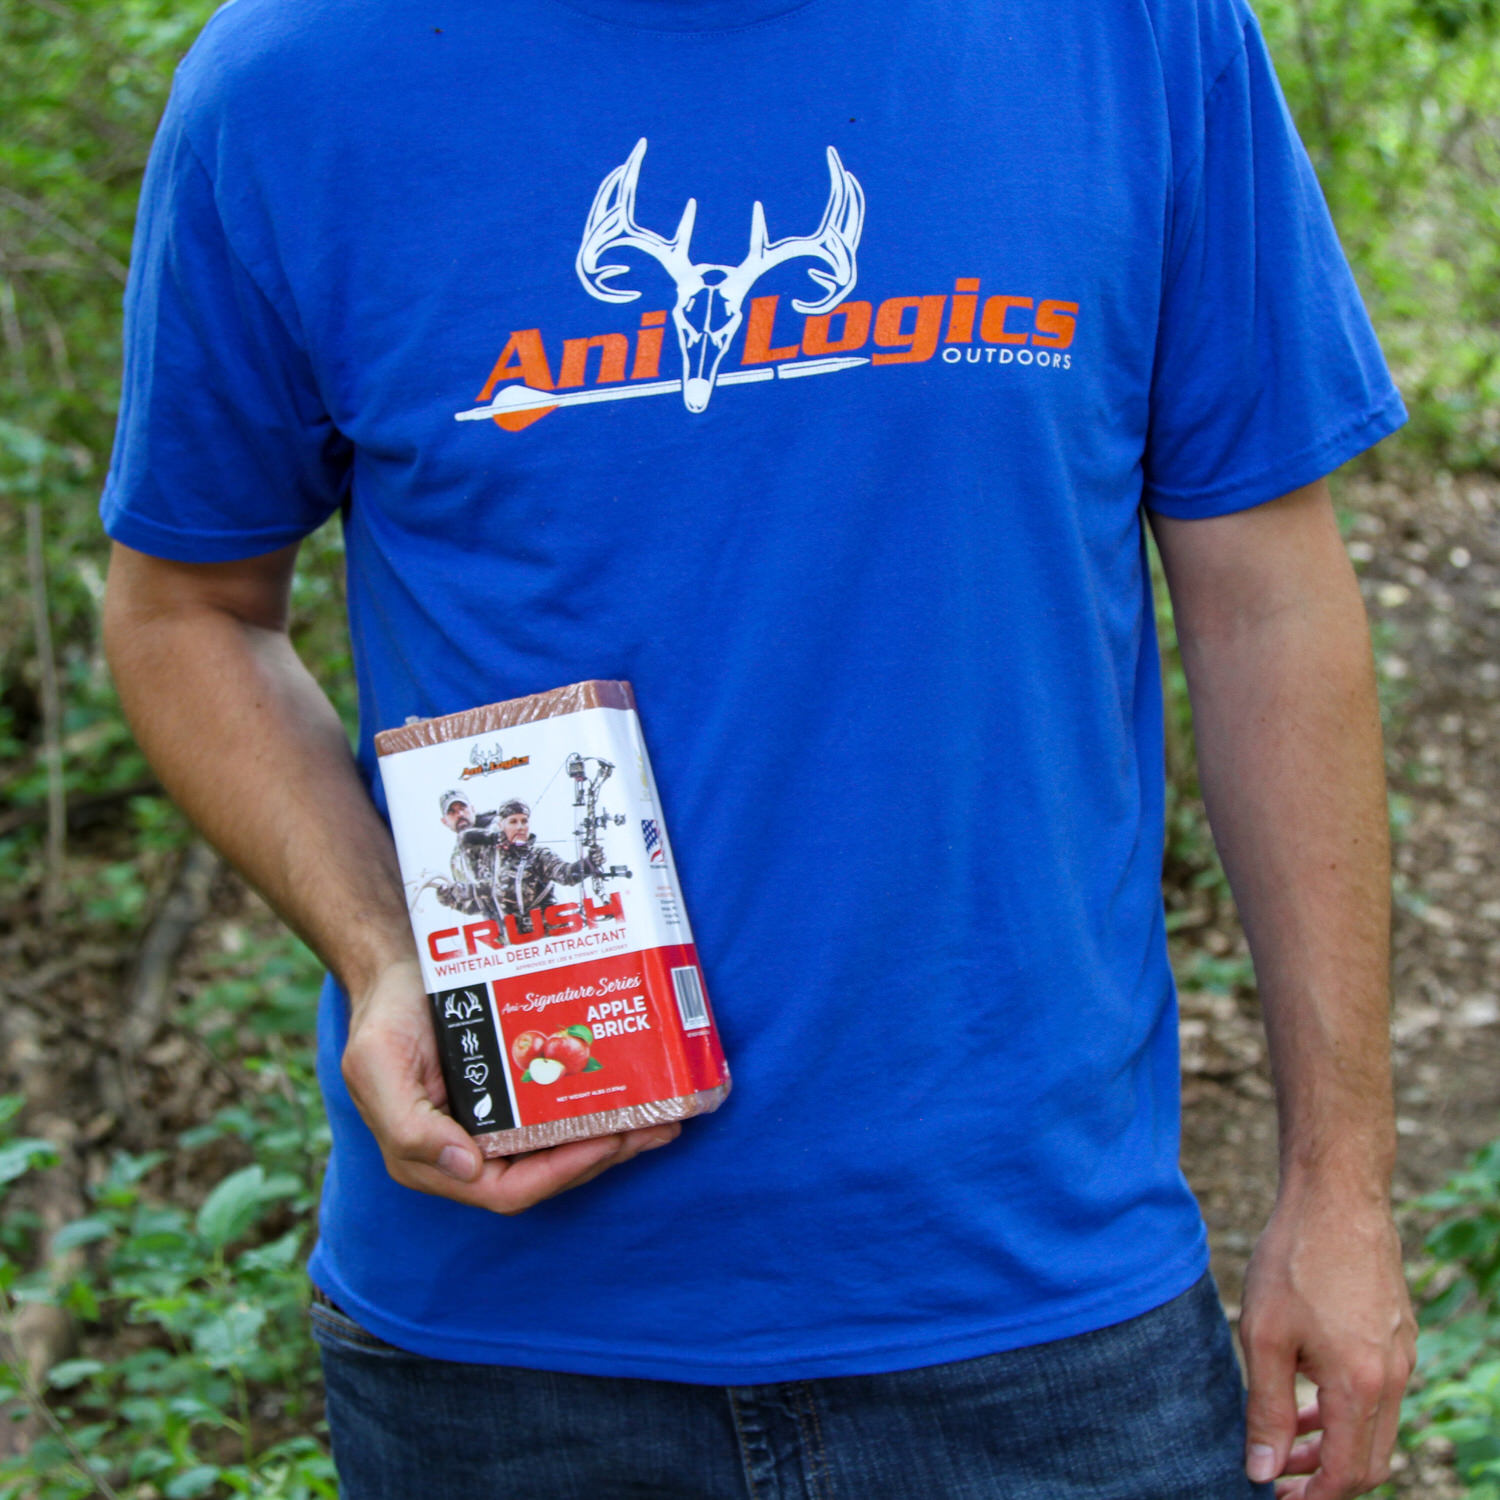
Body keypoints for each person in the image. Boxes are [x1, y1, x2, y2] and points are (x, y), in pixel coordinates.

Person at [98, 0, 1416, 1494]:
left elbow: (1270, 608)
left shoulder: (1133, 34)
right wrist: (382, 949)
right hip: (506, 1340)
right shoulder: (293, 79)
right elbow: (185, 614)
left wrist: (1341, 1185)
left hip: (1037, 1310)